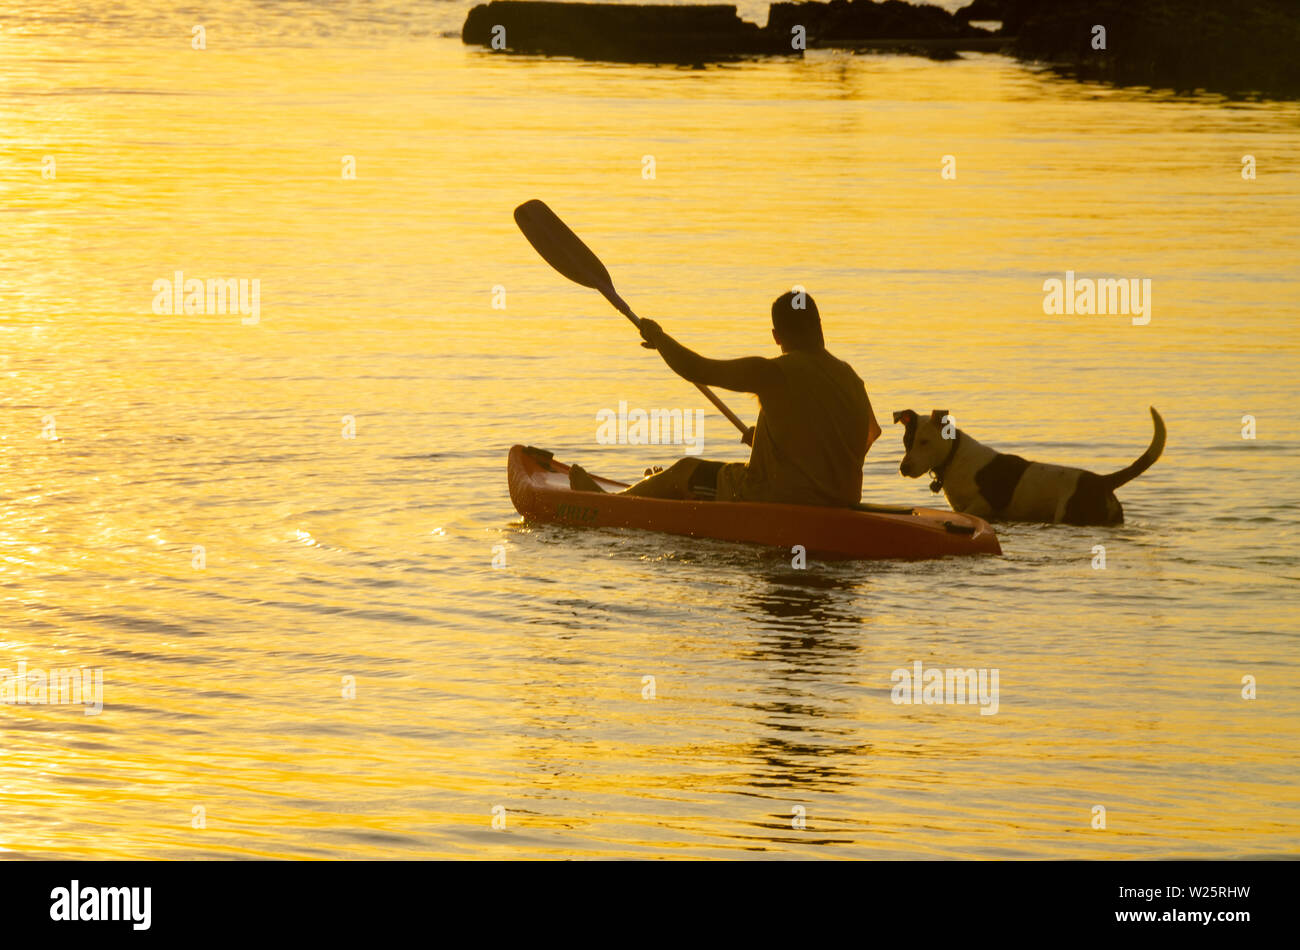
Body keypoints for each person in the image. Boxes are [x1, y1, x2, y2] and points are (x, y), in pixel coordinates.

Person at [568, 290, 881, 507]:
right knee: (681, 477)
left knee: (685, 470)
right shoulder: (851, 377)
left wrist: (661, 339)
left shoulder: (775, 372)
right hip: (844, 499)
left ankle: (607, 504)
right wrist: (775, 445)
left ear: (776, 336)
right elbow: (869, 435)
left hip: (777, 496)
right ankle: (656, 488)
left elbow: (697, 369)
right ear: (819, 327)